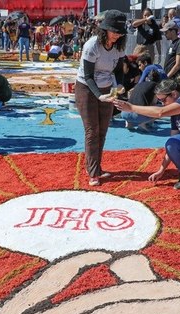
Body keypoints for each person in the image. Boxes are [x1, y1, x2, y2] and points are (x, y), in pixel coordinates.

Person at [75, 9, 126, 187]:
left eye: (120, 33)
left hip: (106, 89)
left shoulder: (119, 46)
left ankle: (97, 167)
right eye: (114, 32)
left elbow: (119, 69)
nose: (117, 36)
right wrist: (99, 95)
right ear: (104, 29)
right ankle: (93, 173)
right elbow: (88, 76)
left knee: (102, 131)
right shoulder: (92, 45)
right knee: (92, 131)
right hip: (86, 89)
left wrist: (119, 84)